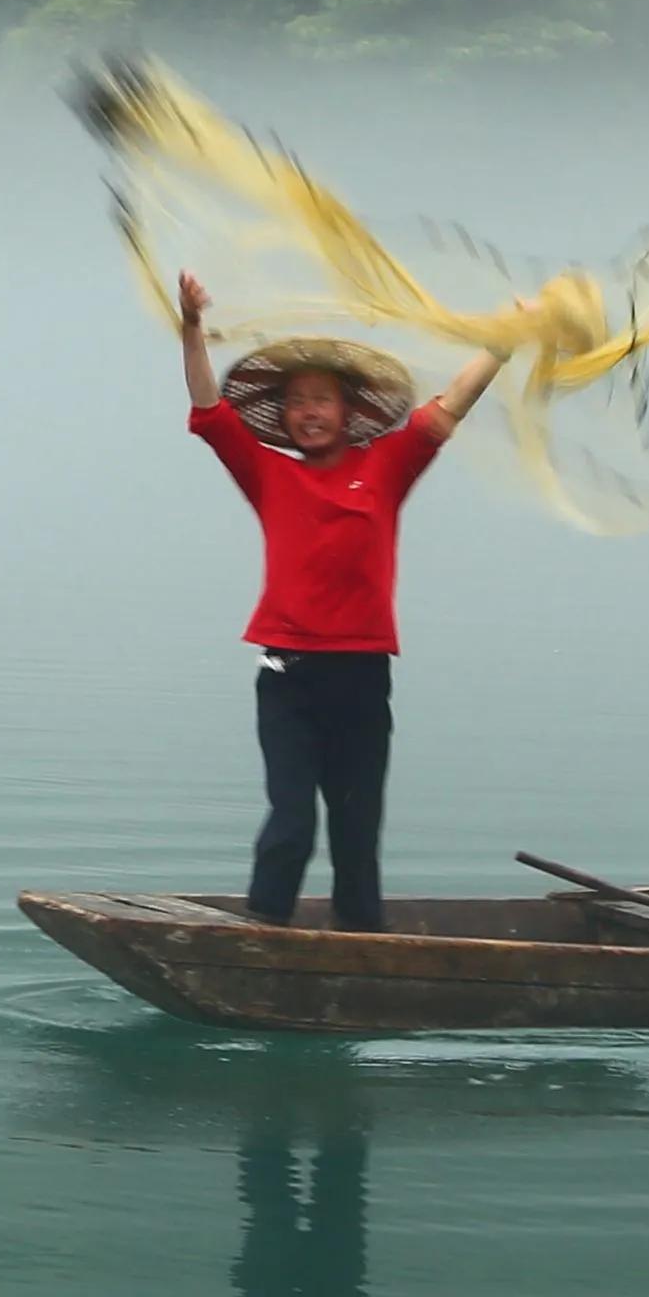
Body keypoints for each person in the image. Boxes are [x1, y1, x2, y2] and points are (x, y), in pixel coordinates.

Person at [170, 272, 501, 931]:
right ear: (284, 417)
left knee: (356, 829)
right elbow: (210, 410)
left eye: (322, 399)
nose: (309, 411)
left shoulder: (387, 463)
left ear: (348, 411)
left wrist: (504, 345)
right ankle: (261, 934)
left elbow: (451, 407)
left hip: (360, 677)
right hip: (287, 680)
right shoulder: (268, 470)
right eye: (297, 402)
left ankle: (361, 945)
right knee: (291, 822)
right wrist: (191, 326)